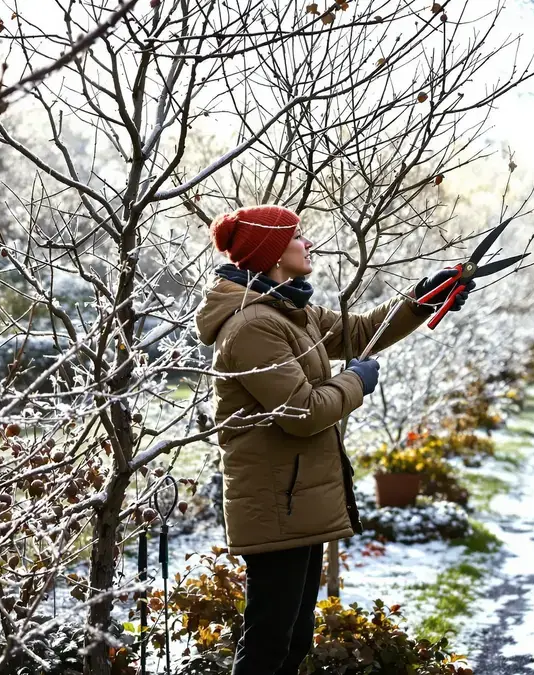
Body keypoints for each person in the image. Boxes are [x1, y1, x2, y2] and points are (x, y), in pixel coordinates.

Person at [194, 205, 473, 675]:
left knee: (293, 637)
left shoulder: (287, 309)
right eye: (298, 237)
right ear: (274, 254)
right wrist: (356, 382)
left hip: (294, 497)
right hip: (275, 500)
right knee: (268, 643)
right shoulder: (254, 326)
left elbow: (359, 331)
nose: (309, 244)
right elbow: (302, 413)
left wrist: (422, 299)